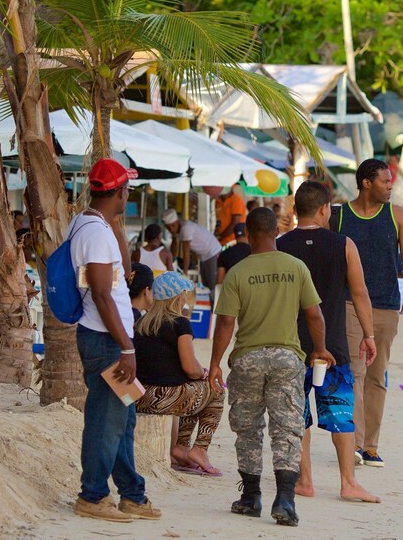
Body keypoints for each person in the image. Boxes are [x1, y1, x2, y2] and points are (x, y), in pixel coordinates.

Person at [208, 207, 337, 527]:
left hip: (248, 359)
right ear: (275, 233)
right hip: (286, 359)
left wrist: (214, 364)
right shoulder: (296, 267)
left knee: (248, 427)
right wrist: (320, 348)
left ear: (249, 235)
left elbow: (226, 322)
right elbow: (314, 315)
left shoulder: (238, 271)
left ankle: (251, 497)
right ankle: (285, 500)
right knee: (288, 428)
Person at [67, 158, 160, 523]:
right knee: (107, 420)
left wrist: (115, 221)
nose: (129, 195)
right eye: (127, 189)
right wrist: (127, 347)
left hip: (108, 336)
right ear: (119, 191)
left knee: (123, 419)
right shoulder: (94, 232)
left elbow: (123, 269)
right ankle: (92, 496)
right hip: (107, 341)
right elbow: (104, 295)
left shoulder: (95, 225)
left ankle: (132, 494)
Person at [277, 181, 380, 503]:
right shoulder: (344, 244)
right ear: (325, 209)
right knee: (341, 414)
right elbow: (360, 292)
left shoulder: (280, 246)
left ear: (295, 210)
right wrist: (369, 334)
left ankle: (304, 481)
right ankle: (348, 482)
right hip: (332, 346)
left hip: (292, 346)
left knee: (298, 415)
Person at [330, 158, 403, 469]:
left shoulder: (397, 216)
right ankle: (354, 441)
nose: (390, 186)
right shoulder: (338, 216)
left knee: (376, 375)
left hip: (385, 304)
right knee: (355, 370)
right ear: (367, 183)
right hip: (349, 304)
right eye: (384, 181)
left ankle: (370, 446)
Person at [134, 272, 225, 477]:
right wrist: (203, 372)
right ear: (177, 297)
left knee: (193, 392)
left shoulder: (141, 323)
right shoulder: (180, 323)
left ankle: (181, 448)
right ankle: (197, 448)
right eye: (183, 293)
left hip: (141, 396)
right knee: (216, 390)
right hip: (167, 397)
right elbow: (190, 368)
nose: (185, 296)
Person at [162, 208, 222, 301]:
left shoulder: (186, 228)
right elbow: (174, 250)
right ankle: (209, 308)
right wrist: (174, 240)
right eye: (168, 227)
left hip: (212, 252)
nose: (171, 229)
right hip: (204, 255)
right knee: (206, 286)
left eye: (173, 226)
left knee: (211, 285)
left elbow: (186, 253)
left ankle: (214, 311)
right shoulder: (179, 228)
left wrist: (184, 274)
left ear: (177, 221)